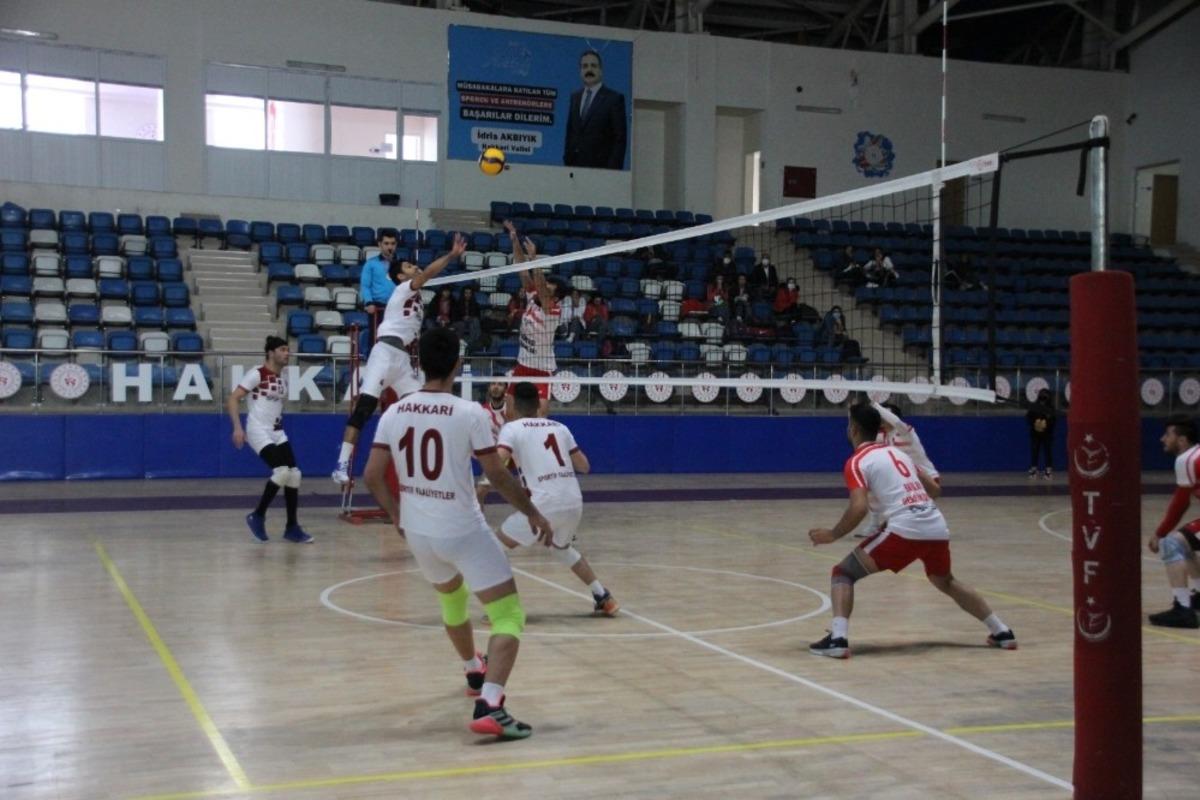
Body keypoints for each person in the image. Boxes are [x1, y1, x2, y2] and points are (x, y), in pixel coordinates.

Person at [363, 327, 553, 739]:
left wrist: (396, 515)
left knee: (452, 596)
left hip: (418, 531)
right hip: (461, 528)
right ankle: (491, 703)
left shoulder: (394, 411)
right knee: (508, 615)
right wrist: (533, 512)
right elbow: (498, 475)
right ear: (456, 365)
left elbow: (372, 475)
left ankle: (473, 670)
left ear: (419, 364)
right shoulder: (470, 413)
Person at [807, 402, 1017, 658]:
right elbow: (935, 490)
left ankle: (838, 638)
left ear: (853, 429)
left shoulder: (857, 461)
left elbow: (859, 507)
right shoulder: (899, 453)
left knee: (843, 573)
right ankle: (1001, 631)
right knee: (945, 580)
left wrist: (832, 534)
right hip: (936, 525)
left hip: (906, 528)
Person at [332, 233, 468, 485]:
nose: (412, 267)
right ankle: (341, 465)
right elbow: (426, 274)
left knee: (425, 406)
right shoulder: (403, 289)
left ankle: (426, 465)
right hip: (384, 353)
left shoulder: (417, 298)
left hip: (403, 360)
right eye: (407, 267)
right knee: (364, 410)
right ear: (400, 276)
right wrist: (451, 255)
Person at [494, 381, 619, 616]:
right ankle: (603, 596)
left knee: (492, 549)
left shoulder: (512, 428)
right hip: (573, 502)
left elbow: (499, 461)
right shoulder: (560, 428)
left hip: (543, 505)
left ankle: (506, 609)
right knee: (561, 549)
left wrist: (483, 483)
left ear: (513, 404)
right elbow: (584, 466)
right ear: (538, 405)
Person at [227, 336, 312, 543]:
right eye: (283, 349)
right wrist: (237, 428)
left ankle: (292, 527)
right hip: (258, 430)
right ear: (271, 352)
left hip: (277, 431)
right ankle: (257, 515)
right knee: (282, 471)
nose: (287, 353)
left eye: (287, 350)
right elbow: (233, 398)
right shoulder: (257, 374)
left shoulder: (283, 379)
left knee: (295, 475)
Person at [1146, 415, 1200, 628]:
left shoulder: (1187, 459)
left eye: (1168, 434)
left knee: (1172, 542)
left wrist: (1160, 533)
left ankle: (1183, 609)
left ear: (1182, 440)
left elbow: (1180, 503)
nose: (1162, 439)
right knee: (1186, 542)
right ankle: (1196, 596)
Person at [504, 220, 559, 418]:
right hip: (523, 364)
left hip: (542, 369)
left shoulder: (553, 311)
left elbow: (543, 292)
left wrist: (534, 258)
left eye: (548, 289)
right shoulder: (532, 295)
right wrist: (514, 240)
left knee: (540, 417)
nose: (542, 288)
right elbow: (521, 269)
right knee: (510, 414)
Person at [562, 49, 627, 170]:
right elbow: (570, 133)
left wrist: (612, 172)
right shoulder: (575, 98)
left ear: (600, 70)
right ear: (580, 71)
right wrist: (567, 162)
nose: (589, 70)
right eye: (585, 66)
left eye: (593, 66)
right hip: (574, 172)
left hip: (602, 172)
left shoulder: (614, 99)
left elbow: (620, 139)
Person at [474, 380, 511, 507]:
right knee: (480, 492)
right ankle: (479, 525)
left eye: (500, 384)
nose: (496, 387)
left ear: (506, 389)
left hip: (515, 455)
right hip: (497, 458)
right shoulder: (481, 411)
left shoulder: (512, 411)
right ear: (489, 388)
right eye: (493, 384)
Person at [360, 229, 399, 333]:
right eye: (386, 243)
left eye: (392, 243)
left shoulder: (402, 265)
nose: (390, 247)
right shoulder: (370, 264)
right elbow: (365, 286)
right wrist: (369, 302)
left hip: (397, 306)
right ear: (380, 244)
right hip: (377, 307)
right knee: (376, 337)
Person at [1026, 388, 1056, 478]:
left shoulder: (1050, 408)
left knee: (1047, 451)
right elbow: (1028, 417)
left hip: (1047, 434)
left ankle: (1048, 470)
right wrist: (1035, 424)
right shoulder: (1034, 406)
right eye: (1041, 397)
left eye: (1045, 397)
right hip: (1035, 433)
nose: (1043, 399)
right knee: (1035, 451)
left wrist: (1046, 423)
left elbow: (1054, 420)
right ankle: (1034, 469)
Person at [451, 285, 482, 352]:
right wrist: (463, 317)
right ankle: (473, 341)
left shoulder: (476, 304)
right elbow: (454, 316)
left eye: (469, 293)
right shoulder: (457, 304)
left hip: (471, 321)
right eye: (466, 293)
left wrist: (470, 317)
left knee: (475, 321)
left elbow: (478, 316)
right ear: (463, 294)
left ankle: (473, 340)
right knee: (471, 323)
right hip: (460, 321)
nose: (468, 295)